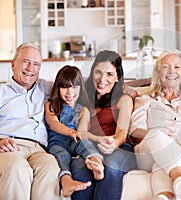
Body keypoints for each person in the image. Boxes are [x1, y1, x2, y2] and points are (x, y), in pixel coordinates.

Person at [130, 49, 181, 200]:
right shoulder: (145, 98)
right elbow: (136, 132)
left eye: (177, 67)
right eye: (165, 66)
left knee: (164, 162)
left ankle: (165, 196)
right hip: (147, 152)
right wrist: (162, 139)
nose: (171, 71)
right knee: (156, 135)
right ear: (158, 72)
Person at [70, 50, 137, 200]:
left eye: (109, 74)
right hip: (88, 148)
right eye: (98, 72)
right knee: (79, 167)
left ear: (117, 78)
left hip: (118, 148)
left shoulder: (123, 99)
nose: (102, 79)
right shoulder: (81, 95)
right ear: (92, 72)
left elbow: (121, 134)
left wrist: (113, 143)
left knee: (111, 167)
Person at [0, 43, 60, 199]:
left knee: (51, 167)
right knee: (18, 168)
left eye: (36, 64)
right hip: (10, 146)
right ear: (13, 64)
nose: (30, 68)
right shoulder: (1, 92)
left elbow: (81, 83)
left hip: (40, 149)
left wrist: (126, 88)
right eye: (26, 61)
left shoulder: (47, 87)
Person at [45, 65, 113, 197]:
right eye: (64, 87)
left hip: (75, 140)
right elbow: (53, 124)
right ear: (57, 88)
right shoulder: (51, 105)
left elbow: (82, 133)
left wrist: (99, 139)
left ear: (81, 88)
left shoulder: (84, 109)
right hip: (56, 142)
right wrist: (72, 132)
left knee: (85, 143)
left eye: (74, 87)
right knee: (62, 155)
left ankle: (97, 166)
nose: (70, 92)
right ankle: (66, 181)